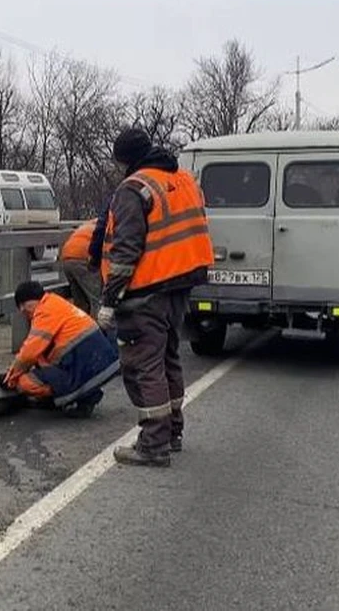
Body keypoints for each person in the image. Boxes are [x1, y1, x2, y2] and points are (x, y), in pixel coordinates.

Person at [96, 128, 214, 467]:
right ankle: (173, 432)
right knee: (167, 358)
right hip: (181, 283)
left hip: (146, 289)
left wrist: (109, 300)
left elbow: (125, 251)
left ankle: (153, 444)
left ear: (125, 159)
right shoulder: (183, 179)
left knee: (143, 365)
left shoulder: (134, 188)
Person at [0, 281, 119, 418]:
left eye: (24, 306)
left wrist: (10, 379)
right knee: (42, 362)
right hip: (98, 361)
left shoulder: (44, 312)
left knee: (26, 382)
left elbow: (29, 353)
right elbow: (39, 356)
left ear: (33, 300)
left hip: (87, 365)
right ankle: (87, 395)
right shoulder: (55, 303)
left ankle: (66, 396)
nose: (24, 311)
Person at [58, 219, 103, 315]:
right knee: (97, 300)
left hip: (67, 257)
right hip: (83, 258)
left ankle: (80, 327)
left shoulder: (91, 223)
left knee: (80, 303)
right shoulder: (109, 224)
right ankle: (97, 328)